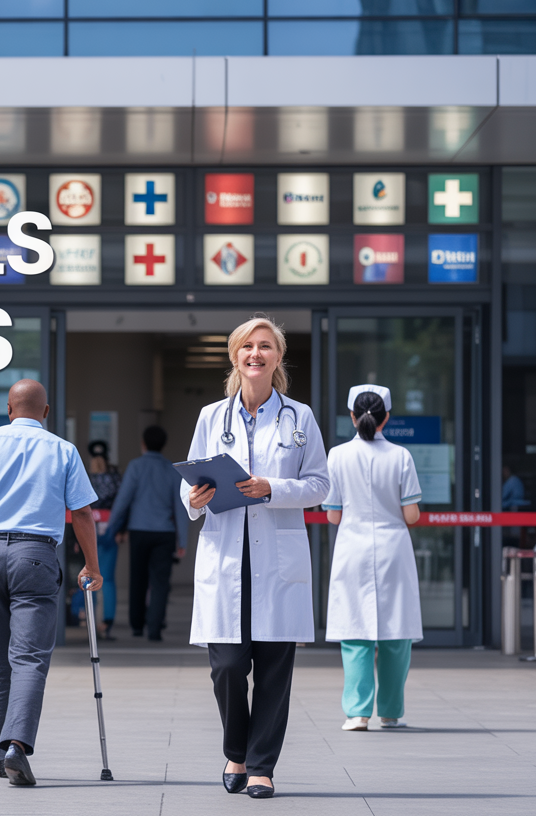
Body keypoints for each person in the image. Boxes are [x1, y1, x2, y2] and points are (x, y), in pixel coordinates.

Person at [181, 315, 329, 799]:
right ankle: (235, 752)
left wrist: (272, 488)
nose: (256, 354)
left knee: (272, 669)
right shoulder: (211, 416)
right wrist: (195, 499)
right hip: (226, 555)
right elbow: (191, 482)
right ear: (235, 356)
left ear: (278, 357)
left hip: (277, 557)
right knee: (226, 666)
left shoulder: (300, 417)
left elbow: (320, 486)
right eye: (247, 346)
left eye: (265, 346)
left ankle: (260, 766)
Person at [0, 379, 102, 787]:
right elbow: (83, 514)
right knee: (29, 657)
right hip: (35, 555)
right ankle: (16, 746)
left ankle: (2, 756)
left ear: (9, 410)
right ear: (46, 412)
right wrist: (92, 565)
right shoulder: (63, 450)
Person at [323, 385, 423, 732]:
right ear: (387, 418)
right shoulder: (401, 456)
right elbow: (411, 516)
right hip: (394, 548)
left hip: (352, 547)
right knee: (397, 633)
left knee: (355, 632)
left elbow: (333, 516)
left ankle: (357, 713)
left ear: (352, 417)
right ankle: (391, 712)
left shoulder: (336, 456)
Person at [102, 425, 189, 641]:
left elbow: (123, 500)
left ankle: (137, 625)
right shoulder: (172, 469)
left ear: (143, 443)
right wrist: (183, 540)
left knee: (138, 579)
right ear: (164, 444)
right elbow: (180, 506)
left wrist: (111, 527)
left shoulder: (136, 466)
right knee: (160, 582)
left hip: (139, 531)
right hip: (164, 533)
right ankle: (155, 628)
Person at [85, 440, 121, 638]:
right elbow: (121, 502)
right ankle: (107, 622)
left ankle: (85, 617)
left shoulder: (87, 477)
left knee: (87, 574)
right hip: (110, 529)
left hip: (88, 529)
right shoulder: (114, 477)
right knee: (107, 579)